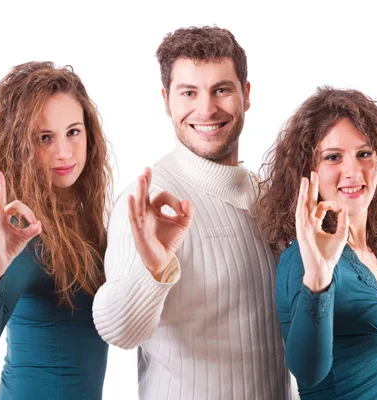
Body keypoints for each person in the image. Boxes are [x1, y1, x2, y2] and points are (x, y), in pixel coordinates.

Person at [92, 26, 293, 399]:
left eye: (221, 89)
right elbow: (119, 331)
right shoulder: (148, 202)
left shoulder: (269, 195)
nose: (206, 109)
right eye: (189, 93)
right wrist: (153, 267)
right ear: (167, 100)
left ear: (245, 95)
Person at [255, 86, 377, 399]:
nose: (353, 170)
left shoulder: (374, 253)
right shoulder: (303, 259)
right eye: (333, 157)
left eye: (364, 153)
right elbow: (307, 371)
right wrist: (318, 281)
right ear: (309, 172)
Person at [0, 61, 112, 400]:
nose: (63, 152)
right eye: (45, 138)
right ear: (21, 147)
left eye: (73, 132)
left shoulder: (85, 217)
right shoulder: (26, 231)